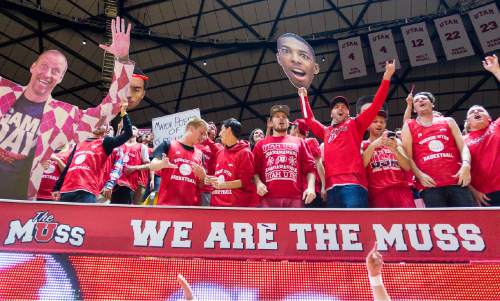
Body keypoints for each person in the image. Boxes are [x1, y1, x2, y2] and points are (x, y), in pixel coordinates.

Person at [0, 16, 133, 200]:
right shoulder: (3, 91)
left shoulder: (63, 116)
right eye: (44, 66)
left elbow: (109, 109)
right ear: (32, 67)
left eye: (55, 71)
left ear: (61, 78)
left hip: (18, 203)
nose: (47, 74)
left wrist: (122, 59)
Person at [298, 60, 396, 208]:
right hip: (332, 188)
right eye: (336, 107)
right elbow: (308, 118)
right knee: (339, 230)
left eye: (343, 106)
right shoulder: (326, 131)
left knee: (358, 227)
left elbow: (376, 105)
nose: (340, 108)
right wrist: (303, 98)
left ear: (348, 112)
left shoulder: (355, 124)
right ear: (331, 113)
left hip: (354, 184)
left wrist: (387, 77)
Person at [401, 92, 474, 207]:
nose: (420, 100)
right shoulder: (409, 125)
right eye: (416, 100)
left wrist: (466, 165)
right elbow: (408, 157)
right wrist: (419, 175)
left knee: (469, 221)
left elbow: (463, 146)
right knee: (440, 224)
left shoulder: (448, 121)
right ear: (414, 109)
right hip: (430, 185)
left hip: (457, 181)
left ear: (432, 104)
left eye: (424, 98)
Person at [53, 101, 132, 203]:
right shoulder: (78, 143)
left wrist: (123, 112)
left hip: (87, 191)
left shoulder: (106, 143)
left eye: (103, 123)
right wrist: (57, 187)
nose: (99, 124)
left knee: (84, 219)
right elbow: (68, 167)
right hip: (66, 191)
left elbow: (128, 133)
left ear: (107, 129)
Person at [253, 105, 316, 208]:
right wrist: (258, 184)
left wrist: (311, 187)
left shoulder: (299, 142)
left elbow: (310, 168)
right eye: (277, 116)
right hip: (268, 198)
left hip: (295, 197)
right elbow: (254, 171)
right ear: (271, 122)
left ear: (288, 122)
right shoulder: (260, 144)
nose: (281, 118)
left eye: (284, 116)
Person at [358, 99, 414, 208]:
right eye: (375, 121)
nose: (379, 124)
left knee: (409, 223)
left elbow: (407, 167)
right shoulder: (362, 145)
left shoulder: (396, 141)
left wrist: (395, 150)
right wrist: (374, 145)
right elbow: (361, 166)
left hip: (402, 191)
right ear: (368, 125)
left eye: (382, 122)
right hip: (378, 194)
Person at [149, 117, 208, 206]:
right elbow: (152, 165)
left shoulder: (200, 154)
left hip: (191, 209)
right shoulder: (168, 144)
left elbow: (200, 185)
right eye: (201, 133)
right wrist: (162, 164)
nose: (203, 137)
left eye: (205, 135)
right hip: (167, 206)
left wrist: (203, 178)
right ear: (191, 129)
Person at [207, 118, 259, 207]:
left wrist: (222, 185)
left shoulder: (245, 152)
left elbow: (245, 182)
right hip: (217, 206)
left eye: (221, 130)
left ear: (229, 130)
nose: (219, 134)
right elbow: (220, 177)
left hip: (236, 208)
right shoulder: (220, 153)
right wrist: (210, 179)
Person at [464, 105, 500, 206]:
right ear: (468, 122)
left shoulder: (496, 126)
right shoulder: (461, 141)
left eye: (480, 111)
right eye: (472, 112)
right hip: (483, 195)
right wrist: (473, 192)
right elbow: (458, 169)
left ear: (489, 118)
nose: (476, 112)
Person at [290, 118, 326, 207]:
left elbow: (318, 163)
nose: (289, 130)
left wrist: (324, 186)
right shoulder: (290, 146)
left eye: (291, 127)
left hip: (311, 191)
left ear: (296, 129)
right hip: (296, 193)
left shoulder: (310, 141)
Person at [111, 126, 150, 205]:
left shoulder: (142, 147)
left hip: (130, 185)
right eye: (129, 128)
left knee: (125, 211)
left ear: (138, 134)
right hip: (114, 184)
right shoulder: (118, 145)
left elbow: (148, 166)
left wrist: (134, 168)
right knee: (112, 211)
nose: (131, 129)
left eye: (134, 128)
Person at [196, 122, 221, 206]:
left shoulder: (217, 146)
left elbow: (221, 154)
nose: (210, 127)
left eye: (213, 127)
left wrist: (208, 141)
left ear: (215, 134)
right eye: (208, 126)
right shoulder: (193, 145)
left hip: (207, 188)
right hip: (192, 187)